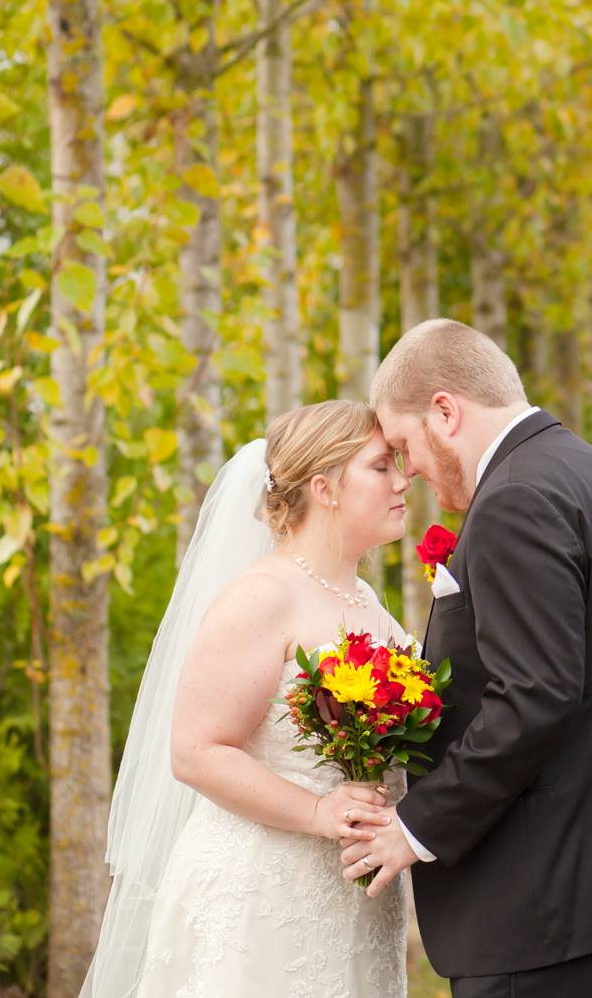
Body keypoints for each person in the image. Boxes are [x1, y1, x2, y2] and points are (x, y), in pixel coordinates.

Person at [341, 317, 592, 998]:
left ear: (445, 411)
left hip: (542, 901)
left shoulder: (514, 501)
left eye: (405, 444)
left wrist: (418, 824)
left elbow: (535, 695)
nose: (407, 468)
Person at [81, 401, 414, 997]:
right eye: (381, 466)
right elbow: (196, 751)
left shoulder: (363, 596)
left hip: (354, 896)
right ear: (324, 487)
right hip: (263, 893)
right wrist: (317, 812)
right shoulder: (261, 596)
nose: (403, 478)